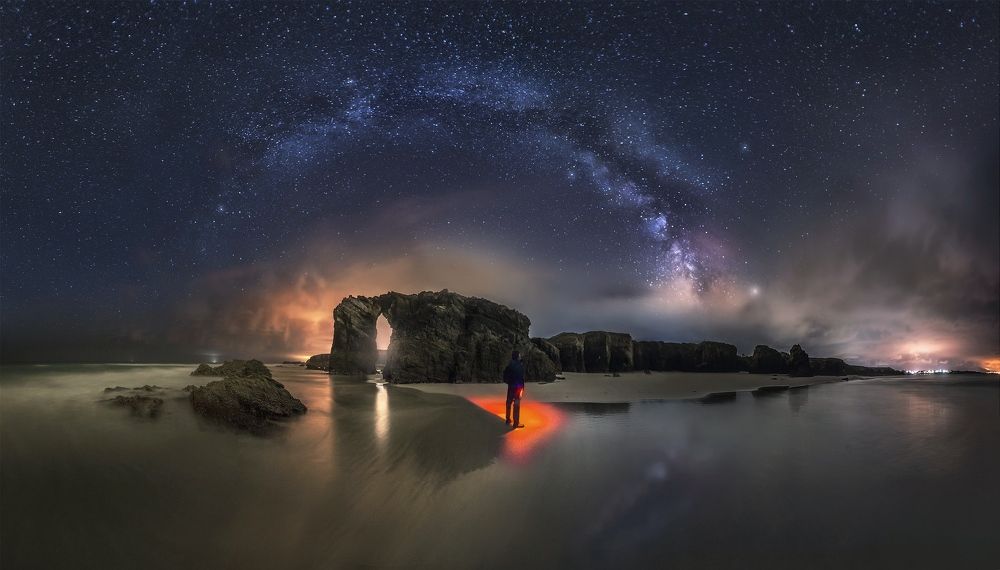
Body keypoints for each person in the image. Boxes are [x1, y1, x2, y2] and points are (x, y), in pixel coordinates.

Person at [503, 350, 526, 428]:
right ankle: (516, 423)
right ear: (517, 356)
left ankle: (508, 419)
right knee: (516, 404)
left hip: (511, 386)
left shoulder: (510, 365)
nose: (520, 356)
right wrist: (522, 387)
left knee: (508, 402)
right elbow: (522, 377)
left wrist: (508, 382)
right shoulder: (520, 365)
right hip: (518, 387)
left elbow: (505, 375)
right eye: (519, 355)